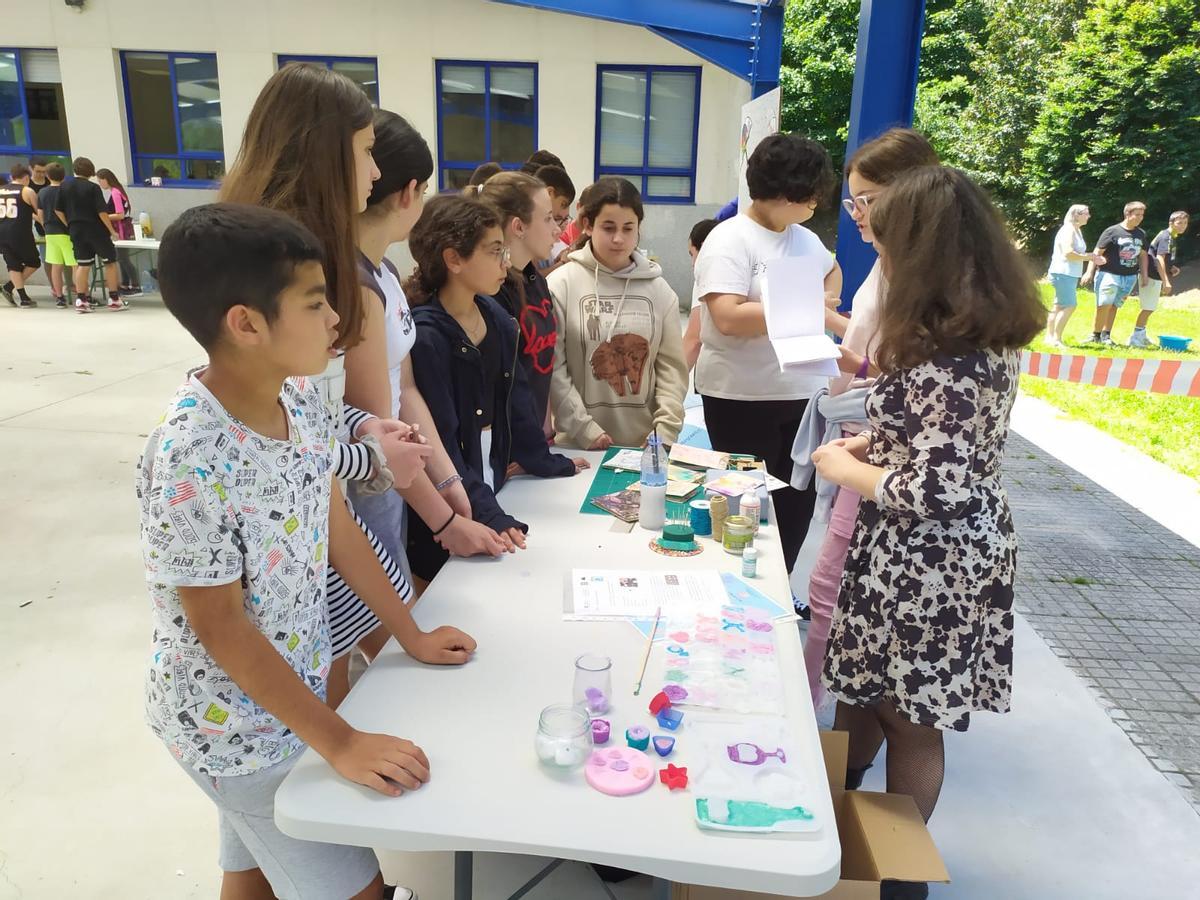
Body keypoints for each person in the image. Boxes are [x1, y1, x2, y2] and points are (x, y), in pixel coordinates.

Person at [141, 202, 476, 900]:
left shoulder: (301, 403)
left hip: (285, 707)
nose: (337, 322)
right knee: (357, 887)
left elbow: (334, 530)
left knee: (255, 875)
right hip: (230, 730)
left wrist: (405, 632)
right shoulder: (188, 456)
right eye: (317, 302)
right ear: (246, 323)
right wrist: (341, 742)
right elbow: (220, 626)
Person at [812, 167, 1044, 843]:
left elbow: (937, 490)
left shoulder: (958, 351)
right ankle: (838, 834)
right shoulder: (962, 326)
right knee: (862, 696)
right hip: (905, 553)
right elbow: (937, 439)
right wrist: (877, 444)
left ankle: (895, 872)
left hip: (932, 563)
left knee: (908, 717)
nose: (880, 256)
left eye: (887, 243)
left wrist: (841, 466)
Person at [220, 63, 445, 710]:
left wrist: (358, 433)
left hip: (329, 525)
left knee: (337, 685)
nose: (376, 175)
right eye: (367, 152)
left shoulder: (320, 257)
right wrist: (366, 450)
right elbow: (279, 447)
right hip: (289, 558)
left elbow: (309, 424)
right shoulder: (276, 265)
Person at [798, 128, 940, 712]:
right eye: (853, 201)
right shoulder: (889, 263)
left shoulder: (930, 281)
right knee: (839, 591)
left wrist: (852, 367)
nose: (857, 214)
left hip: (882, 461)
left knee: (833, 589)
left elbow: (913, 388)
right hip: (866, 445)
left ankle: (807, 710)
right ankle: (829, 711)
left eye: (868, 201)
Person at [352, 109, 513, 586]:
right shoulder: (355, 284)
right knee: (371, 632)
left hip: (392, 486)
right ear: (411, 193)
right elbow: (376, 425)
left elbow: (405, 393)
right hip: (362, 487)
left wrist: (451, 484)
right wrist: (445, 520)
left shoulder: (385, 277)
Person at [405, 194, 588, 579]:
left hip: (493, 475)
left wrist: (546, 461)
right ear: (453, 259)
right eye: (494, 253)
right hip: (451, 491)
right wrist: (487, 510)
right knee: (453, 582)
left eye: (505, 251)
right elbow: (442, 439)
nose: (506, 264)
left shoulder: (498, 319)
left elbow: (518, 401)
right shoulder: (427, 337)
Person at [693, 133, 842, 574]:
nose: (816, 204)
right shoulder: (731, 239)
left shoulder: (805, 239)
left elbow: (832, 272)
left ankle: (777, 581)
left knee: (797, 502)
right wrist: (805, 309)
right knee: (744, 504)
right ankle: (740, 583)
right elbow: (727, 316)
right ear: (784, 191)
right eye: (810, 195)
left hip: (802, 393)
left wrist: (822, 300)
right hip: (741, 397)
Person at [547, 177, 687, 450]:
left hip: (646, 449)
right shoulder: (560, 285)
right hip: (578, 446)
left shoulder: (659, 291)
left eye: (628, 228)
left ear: (639, 229)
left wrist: (665, 431)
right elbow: (554, 369)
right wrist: (584, 429)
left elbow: (672, 369)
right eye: (608, 227)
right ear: (587, 225)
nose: (619, 238)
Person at [477, 170, 563, 433]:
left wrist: (545, 434)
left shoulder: (537, 281)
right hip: (506, 452)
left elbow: (542, 368)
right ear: (518, 227)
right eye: (548, 219)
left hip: (534, 444)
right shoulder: (490, 292)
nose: (557, 230)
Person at [55, 156, 124, 313]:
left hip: (76, 230)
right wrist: (112, 231)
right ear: (90, 171)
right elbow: (102, 212)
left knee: (83, 265)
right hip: (96, 230)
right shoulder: (93, 188)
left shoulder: (64, 186)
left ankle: (82, 300)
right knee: (110, 262)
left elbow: (57, 210)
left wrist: (69, 224)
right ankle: (114, 299)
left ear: (75, 169)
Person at [1082, 201, 1148, 346]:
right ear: (1127, 214)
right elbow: (1097, 253)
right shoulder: (1112, 231)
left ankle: (1106, 335)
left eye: (1142, 215)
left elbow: (1143, 255)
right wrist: (1089, 272)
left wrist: (1144, 275)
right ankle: (1095, 335)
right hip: (1109, 274)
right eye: (1137, 215)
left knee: (1114, 306)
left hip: (1129, 277)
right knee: (1104, 304)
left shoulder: (1141, 234)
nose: (1140, 218)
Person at [1046, 204, 1106, 347]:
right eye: (1086, 213)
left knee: (1059, 305)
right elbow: (1068, 253)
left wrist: (1091, 257)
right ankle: (1056, 339)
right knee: (1070, 305)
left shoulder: (1075, 230)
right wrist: (1090, 257)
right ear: (1076, 215)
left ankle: (1050, 338)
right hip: (1063, 271)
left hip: (1067, 272)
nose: (1089, 216)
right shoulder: (1068, 230)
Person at [1134, 211, 1190, 348]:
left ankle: (1141, 334)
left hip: (1154, 275)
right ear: (1171, 223)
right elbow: (1159, 258)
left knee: (1150, 307)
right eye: (1179, 223)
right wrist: (1166, 281)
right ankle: (1136, 338)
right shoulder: (1166, 237)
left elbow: (1161, 257)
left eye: (1185, 223)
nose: (1183, 226)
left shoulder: (1171, 236)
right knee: (1148, 307)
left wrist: (1171, 267)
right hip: (1151, 275)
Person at [0, 164, 42, 308]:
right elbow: (38, 213)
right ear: (26, 178)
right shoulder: (27, 191)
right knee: (34, 262)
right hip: (19, 232)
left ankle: (22, 297)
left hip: (2, 231)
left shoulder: (1, 190)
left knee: (13, 265)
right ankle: (9, 287)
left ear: (12, 177)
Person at [96, 167, 142, 296]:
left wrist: (104, 217)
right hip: (120, 227)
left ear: (106, 179)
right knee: (121, 258)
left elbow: (120, 214)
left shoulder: (115, 192)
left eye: (100, 181)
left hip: (120, 229)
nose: (100, 184)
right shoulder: (117, 191)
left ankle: (136, 285)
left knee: (124, 258)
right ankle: (125, 284)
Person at [683, 218, 718, 371]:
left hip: (719, 380)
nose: (692, 263)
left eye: (692, 254)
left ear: (704, 249)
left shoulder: (707, 274)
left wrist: (670, 388)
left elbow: (694, 340)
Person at [37, 163, 74, 308]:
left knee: (56, 266)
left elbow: (40, 214)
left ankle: (59, 297)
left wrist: (45, 225)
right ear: (64, 176)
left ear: (47, 176)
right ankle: (84, 296)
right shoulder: (67, 190)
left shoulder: (42, 192)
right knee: (75, 265)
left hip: (50, 232)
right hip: (66, 231)